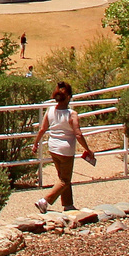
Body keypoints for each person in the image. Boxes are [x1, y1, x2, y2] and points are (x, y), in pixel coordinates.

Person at [31, 82, 96, 213]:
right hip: (65, 150)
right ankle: (45, 201)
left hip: (53, 147)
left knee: (62, 177)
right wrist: (88, 149)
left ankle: (68, 204)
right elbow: (78, 134)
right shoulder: (72, 114)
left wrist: (36, 143)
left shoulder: (50, 111)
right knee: (65, 180)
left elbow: (42, 129)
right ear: (69, 97)